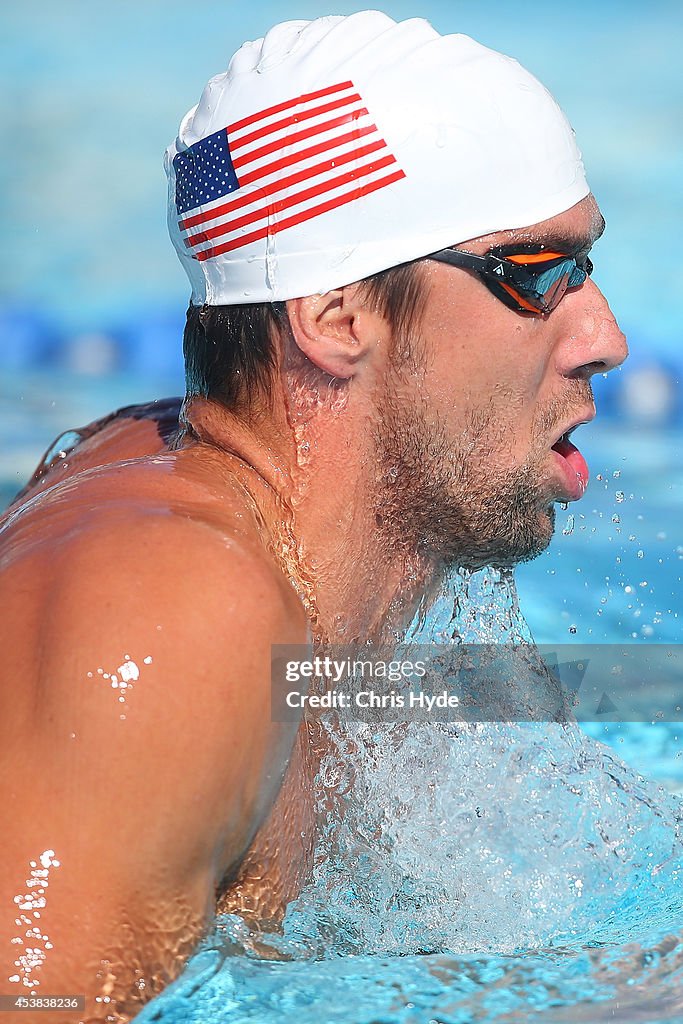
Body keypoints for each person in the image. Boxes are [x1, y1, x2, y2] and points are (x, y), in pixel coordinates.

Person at [0, 11, 627, 1020]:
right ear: (338, 319)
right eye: (532, 274)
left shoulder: (293, 559)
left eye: (584, 267)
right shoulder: (167, 613)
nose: (601, 337)